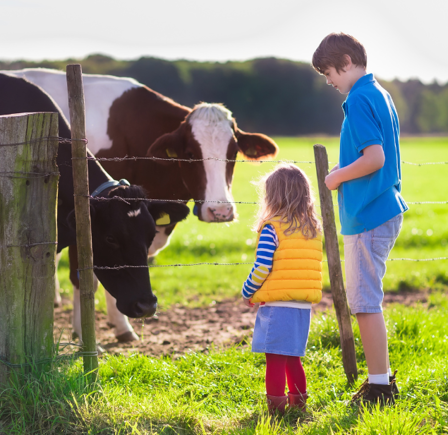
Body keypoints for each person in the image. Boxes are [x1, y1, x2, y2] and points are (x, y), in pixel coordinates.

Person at [312, 33, 408, 405]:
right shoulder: (379, 93)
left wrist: (336, 177)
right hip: (379, 207)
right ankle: (380, 380)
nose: (328, 80)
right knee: (366, 300)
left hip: (369, 212)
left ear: (347, 61)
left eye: (329, 72)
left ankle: (380, 387)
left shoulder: (359, 98)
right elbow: (369, 155)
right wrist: (345, 168)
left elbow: (375, 158)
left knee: (365, 303)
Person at [242, 164, 323, 415]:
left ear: (272, 197)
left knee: (275, 359)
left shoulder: (272, 227)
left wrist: (248, 291)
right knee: (293, 358)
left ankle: (275, 410)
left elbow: (262, 266)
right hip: (303, 306)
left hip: (278, 306)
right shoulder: (311, 228)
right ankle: (298, 405)